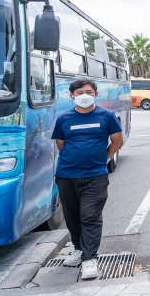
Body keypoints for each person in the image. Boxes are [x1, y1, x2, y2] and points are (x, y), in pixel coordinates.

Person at [51, 78, 124, 280]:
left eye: (89, 92)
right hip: (67, 175)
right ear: (72, 95)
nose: (85, 95)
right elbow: (61, 144)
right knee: (72, 216)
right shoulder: (64, 119)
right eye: (80, 92)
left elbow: (118, 141)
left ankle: (90, 258)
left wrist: (101, 158)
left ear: (95, 94)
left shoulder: (106, 116)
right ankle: (78, 249)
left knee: (90, 216)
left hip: (95, 176)